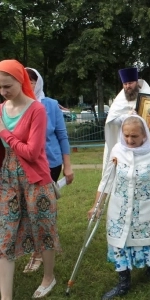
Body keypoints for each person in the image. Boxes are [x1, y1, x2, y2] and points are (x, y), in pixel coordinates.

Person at [88, 115, 150, 300]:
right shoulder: (117, 150)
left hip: (145, 209)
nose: (129, 140)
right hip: (119, 209)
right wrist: (97, 206)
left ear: (144, 135)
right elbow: (106, 181)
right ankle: (123, 282)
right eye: (126, 135)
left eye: (134, 136)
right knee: (119, 243)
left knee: (147, 241)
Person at [0, 59, 61, 299]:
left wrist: (4, 132)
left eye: (7, 86)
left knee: (43, 228)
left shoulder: (37, 109)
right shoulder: (1, 109)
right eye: (0, 87)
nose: (3, 92)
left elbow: (33, 152)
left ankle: (49, 276)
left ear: (20, 81)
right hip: (8, 178)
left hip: (36, 178)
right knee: (5, 233)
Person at [20, 68, 74, 274]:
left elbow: (61, 135)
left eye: (34, 80)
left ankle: (39, 252)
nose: (30, 84)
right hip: (24, 162)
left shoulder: (50, 105)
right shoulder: (17, 105)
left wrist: (67, 165)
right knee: (27, 208)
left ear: (39, 82)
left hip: (49, 164)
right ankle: (36, 245)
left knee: (41, 207)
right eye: (27, 80)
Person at [102, 67, 150, 173]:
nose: (128, 86)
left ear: (136, 82)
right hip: (124, 142)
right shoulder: (119, 100)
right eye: (125, 84)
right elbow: (111, 121)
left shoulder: (148, 96)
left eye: (130, 83)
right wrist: (125, 117)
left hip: (142, 142)